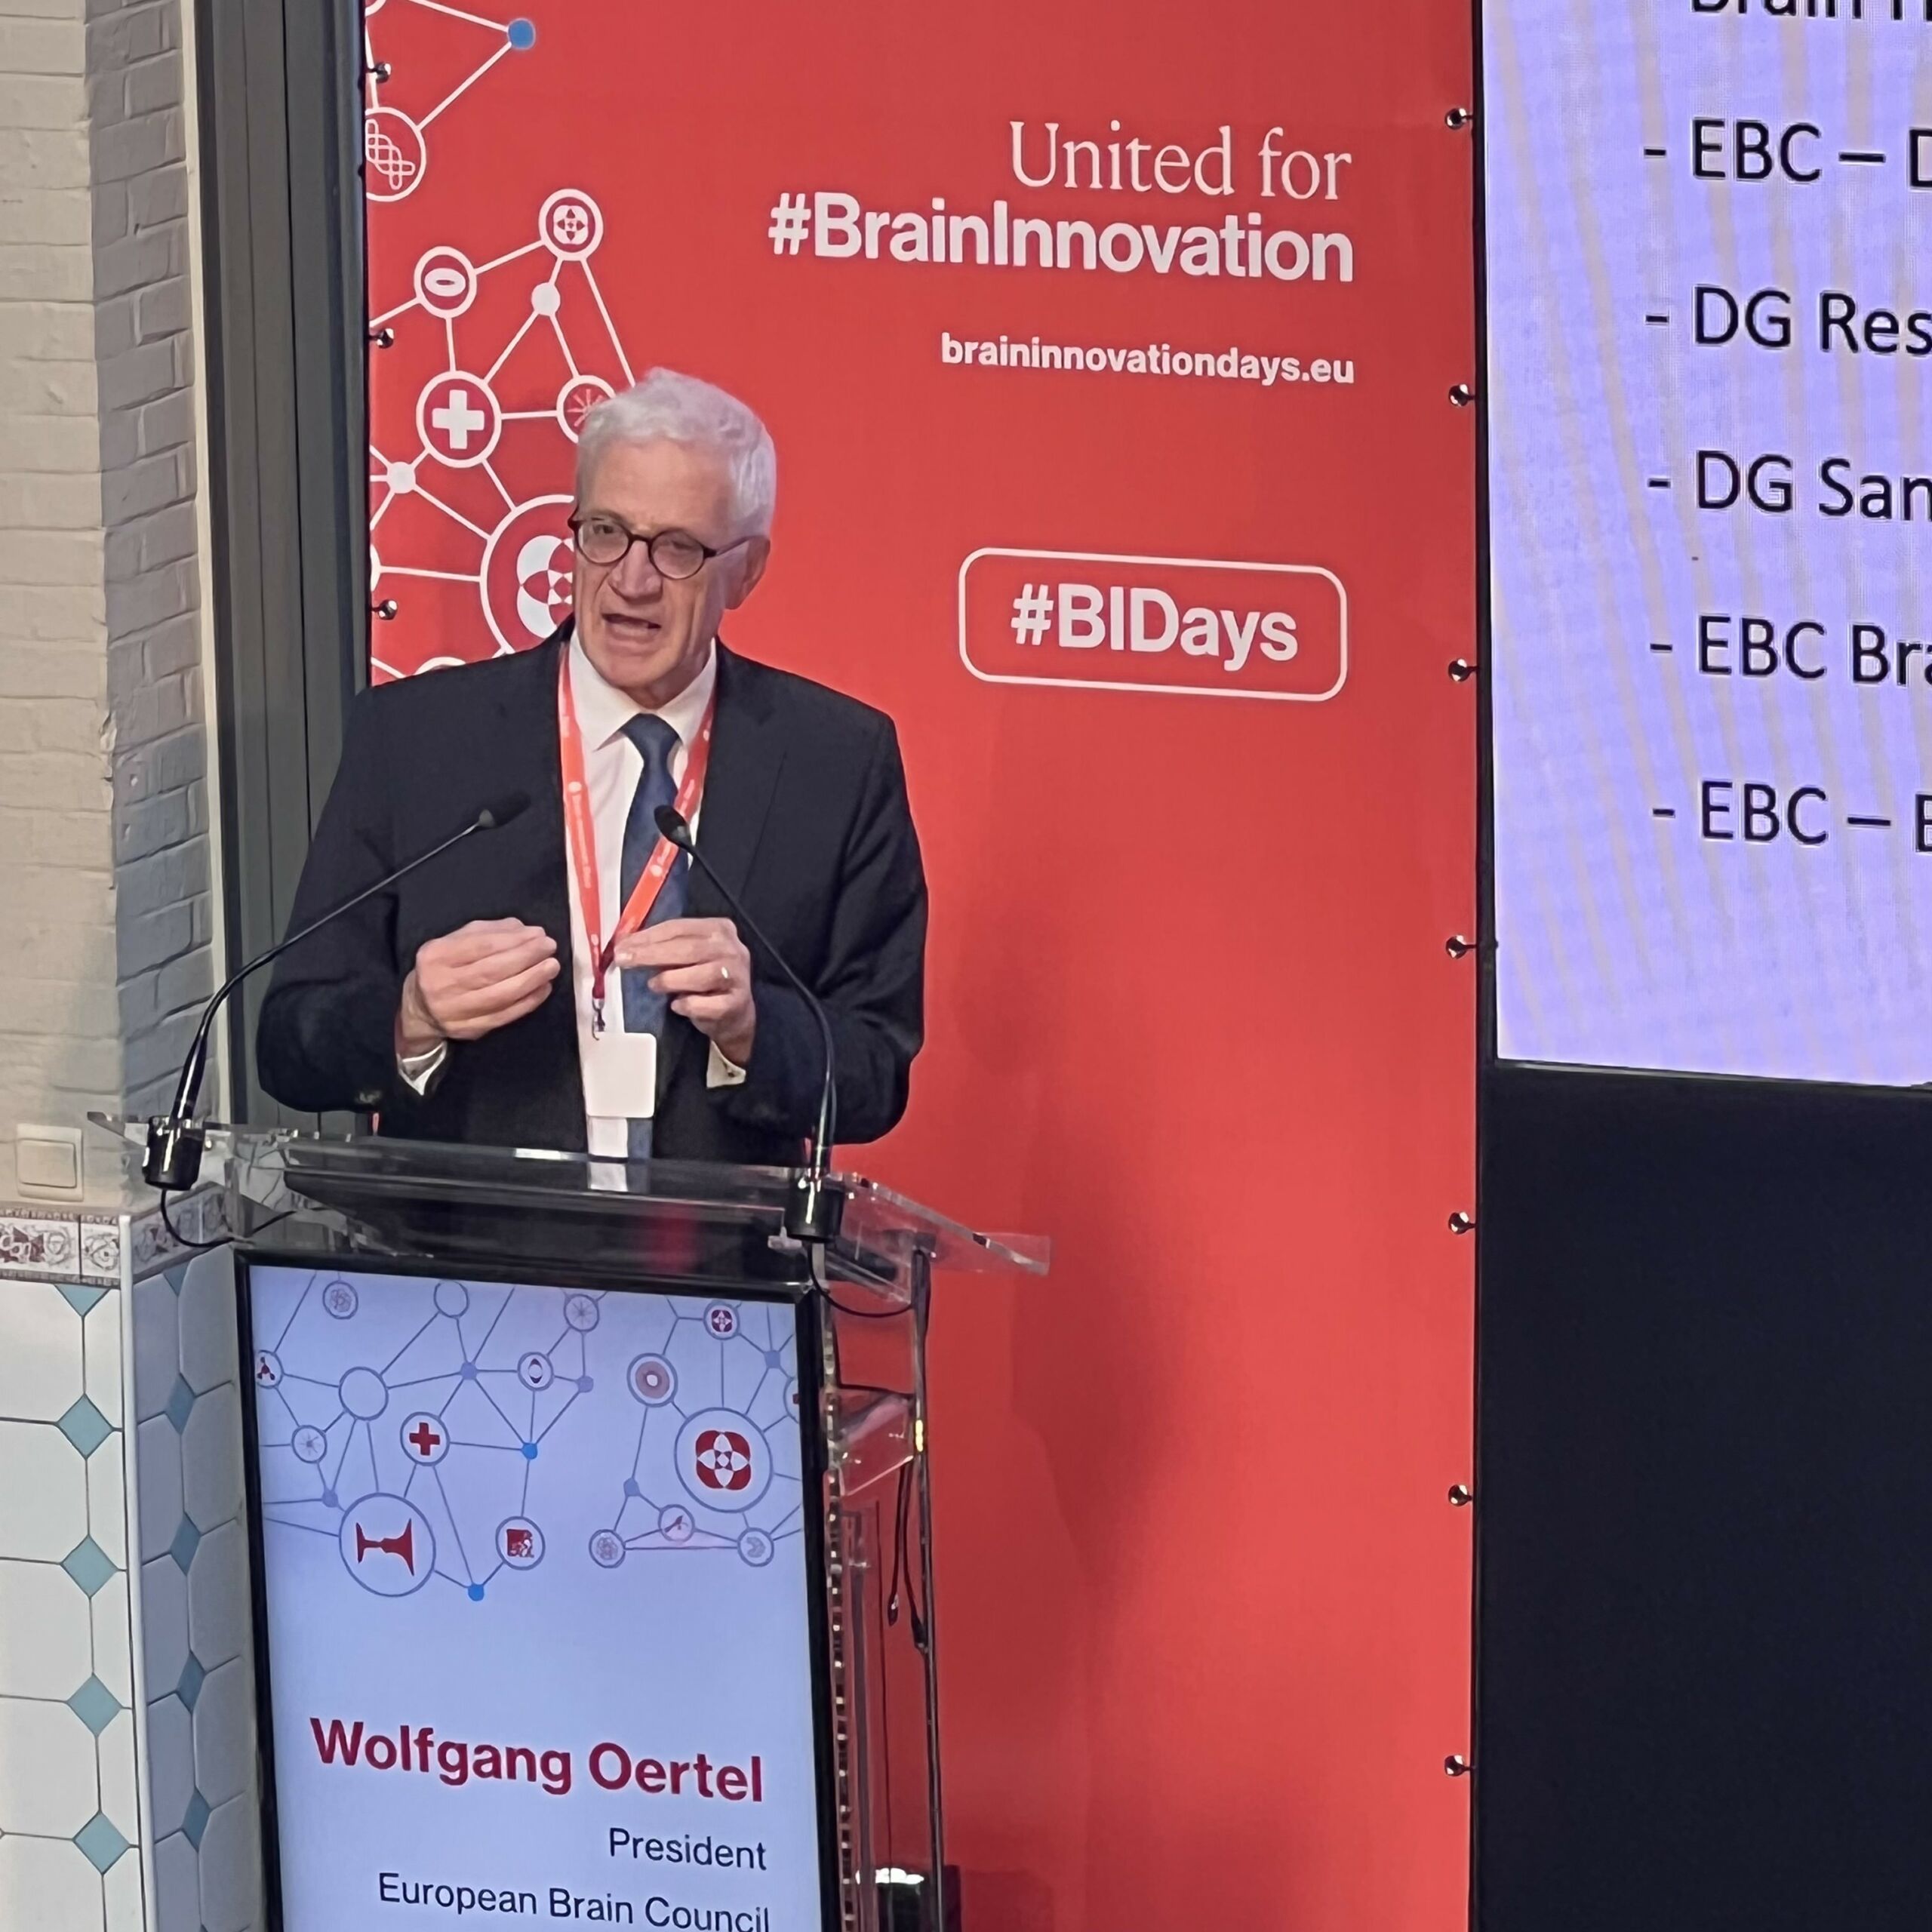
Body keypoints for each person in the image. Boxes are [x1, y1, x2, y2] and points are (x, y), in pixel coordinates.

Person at [256, 368, 926, 1165]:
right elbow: (289, 1041)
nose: (630, 581)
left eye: (677, 548)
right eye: (605, 531)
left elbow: (875, 1069)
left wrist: (754, 1030)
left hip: (717, 1242)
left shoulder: (835, 763)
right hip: (471, 1238)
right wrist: (408, 1019)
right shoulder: (415, 741)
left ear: (746, 571)